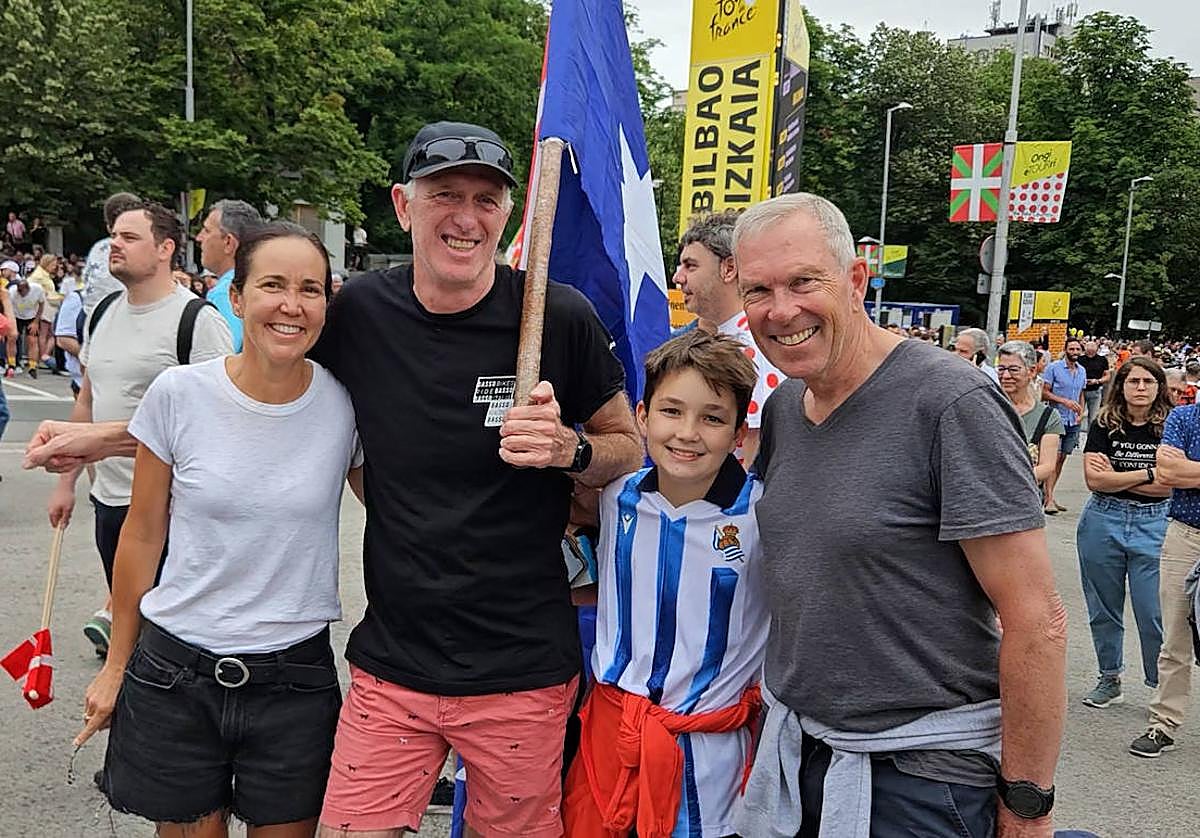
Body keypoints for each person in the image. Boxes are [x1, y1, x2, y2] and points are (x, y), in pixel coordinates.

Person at [310, 121, 643, 837]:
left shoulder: (557, 314)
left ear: (507, 215)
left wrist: (569, 449)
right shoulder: (361, 313)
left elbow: (628, 446)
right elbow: (282, 405)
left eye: (486, 200)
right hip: (392, 663)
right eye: (445, 195)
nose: (466, 217)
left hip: (522, 667)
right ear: (403, 205)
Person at [731, 193, 1065, 838]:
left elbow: (1038, 620)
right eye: (758, 291)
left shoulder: (951, 401)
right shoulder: (785, 408)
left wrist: (1028, 805)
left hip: (921, 780)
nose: (781, 310)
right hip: (802, 755)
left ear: (856, 279)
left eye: (804, 282)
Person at [75, 222, 362, 837]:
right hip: (177, 673)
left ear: (326, 304)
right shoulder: (179, 394)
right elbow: (142, 535)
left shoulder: (345, 405)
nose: (291, 305)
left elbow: (401, 511)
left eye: (310, 289)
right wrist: (116, 663)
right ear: (236, 297)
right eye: (272, 285)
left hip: (294, 678)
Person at [562, 331, 765, 837]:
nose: (688, 433)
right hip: (609, 742)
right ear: (642, 415)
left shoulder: (764, 517)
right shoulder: (614, 497)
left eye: (713, 418)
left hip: (710, 758)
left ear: (739, 433)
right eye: (671, 411)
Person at [39, 202, 232, 657]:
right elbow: (87, 401)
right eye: (113, 236)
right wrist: (66, 484)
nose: (115, 245)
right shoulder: (104, 311)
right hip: (108, 502)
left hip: (169, 511)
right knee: (129, 631)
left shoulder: (197, 320)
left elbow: (219, 420)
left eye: (129, 237)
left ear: (165, 249)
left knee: (167, 643)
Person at [1076, 358, 1173, 710]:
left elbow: (1171, 485)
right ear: (1121, 385)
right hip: (1103, 519)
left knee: (1152, 611)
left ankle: (1159, 684)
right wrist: (1149, 473)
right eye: (1134, 381)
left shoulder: (1170, 426)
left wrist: (1118, 476)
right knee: (1103, 607)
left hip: (1155, 522)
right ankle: (1109, 677)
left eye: (1148, 381)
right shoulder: (1105, 423)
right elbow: (1095, 481)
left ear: (1159, 387)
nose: (1141, 388)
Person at [672, 210, 785, 466]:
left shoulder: (749, 343)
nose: (678, 277)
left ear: (729, 268)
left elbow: (753, 447)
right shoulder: (738, 337)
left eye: (690, 265)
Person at [1129, 389, 1200, 757]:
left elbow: (1180, 470)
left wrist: (1191, 470)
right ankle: (1163, 724)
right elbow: (1168, 472)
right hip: (1186, 535)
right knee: (1174, 638)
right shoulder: (1184, 418)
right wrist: (1178, 470)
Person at [197, 199, 264, 352]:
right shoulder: (258, 285)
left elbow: (221, 355)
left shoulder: (225, 293)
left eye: (206, 231)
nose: (199, 238)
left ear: (228, 242)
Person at [997, 340, 1063, 492]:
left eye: (1014, 370)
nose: (1005, 376)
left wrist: (1006, 481)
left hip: (1024, 496)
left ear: (1032, 371)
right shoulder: (988, 408)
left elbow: (1047, 466)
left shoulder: (1048, 417)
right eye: (1001, 369)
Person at [1042, 338, 1087, 514]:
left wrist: (1081, 412)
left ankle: (1050, 494)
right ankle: (1048, 498)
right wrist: (1063, 401)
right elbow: (1044, 392)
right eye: (1072, 349)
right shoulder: (1054, 368)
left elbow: (1081, 393)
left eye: (1077, 349)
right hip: (1056, 418)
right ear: (1065, 349)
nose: (1075, 352)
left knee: (1062, 459)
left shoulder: (1082, 370)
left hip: (1073, 420)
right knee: (1053, 459)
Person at [82, 192, 142, 313]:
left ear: (108, 226)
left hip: (88, 312)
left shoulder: (98, 248)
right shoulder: (137, 247)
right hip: (118, 313)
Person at [8, 274, 45, 377]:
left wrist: (36, 322)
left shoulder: (37, 289)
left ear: (28, 289)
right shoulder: (12, 292)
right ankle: (11, 364)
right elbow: (8, 308)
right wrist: (12, 324)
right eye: (19, 292)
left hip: (31, 316)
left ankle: (32, 367)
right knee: (12, 338)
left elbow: (41, 305)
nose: (21, 294)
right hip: (15, 315)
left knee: (32, 340)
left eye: (23, 292)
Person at [1079, 340, 1111, 432]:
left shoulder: (1102, 360)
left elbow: (1107, 376)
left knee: (1093, 417)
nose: (1090, 351)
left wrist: (1098, 381)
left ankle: (1090, 435)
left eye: (1092, 349)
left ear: (1096, 349)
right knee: (1078, 415)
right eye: (1088, 349)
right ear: (1085, 349)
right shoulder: (1079, 359)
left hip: (1095, 391)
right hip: (1080, 391)